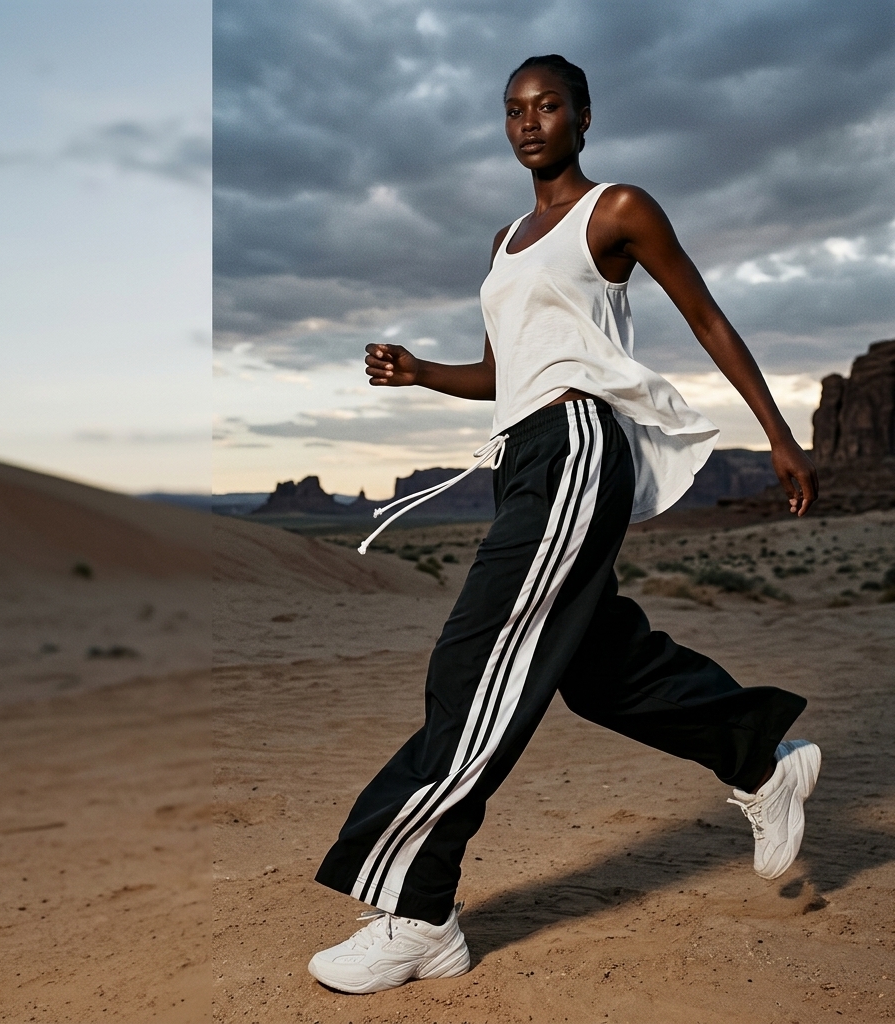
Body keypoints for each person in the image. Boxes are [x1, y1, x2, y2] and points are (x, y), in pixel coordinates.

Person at [308, 54, 821, 995]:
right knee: (595, 667)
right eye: (514, 110)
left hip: (579, 446)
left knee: (471, 665)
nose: (528, 123)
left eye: (547, 107)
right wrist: (423, 372)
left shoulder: (616, 209)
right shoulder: (505, 241)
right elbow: (506, 371)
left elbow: (706, 317)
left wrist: (780, 435)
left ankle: (420, 914)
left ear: (584, 118)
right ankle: (759, 757)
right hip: (522, 459)